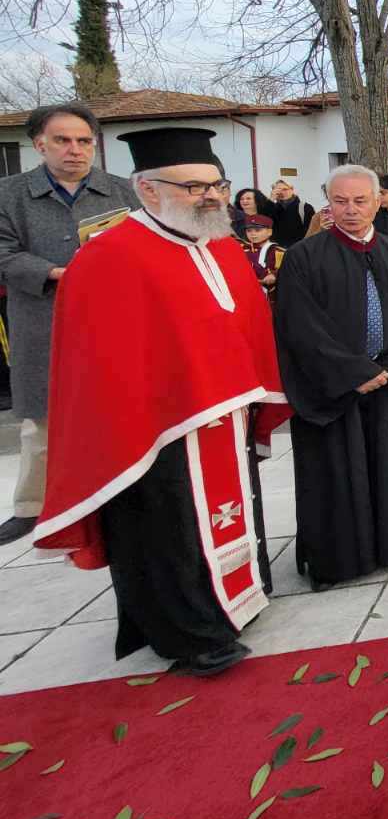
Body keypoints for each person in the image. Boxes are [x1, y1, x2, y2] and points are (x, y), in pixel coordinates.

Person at [34, 126, 288, 674]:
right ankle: (190, 635)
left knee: (231, 510)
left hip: (225, 415)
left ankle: (236, 598)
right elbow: (97, 365)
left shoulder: (221, 246)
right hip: (155, 430)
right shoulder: (109, 256)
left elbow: (246, 327)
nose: (212, 197)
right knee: (168, 529)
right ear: (147, 189)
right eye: (194, 187)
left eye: (216, 184)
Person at [274, 165, 388, 589]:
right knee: (336, 476)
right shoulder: (303, 258)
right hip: (332, 389)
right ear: (328, 202)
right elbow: (299, 327)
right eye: (340, 201)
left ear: (378, 201)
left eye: (360, 200)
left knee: (386, 468)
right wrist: (354, 373)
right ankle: (337, 561)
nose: (350, 210)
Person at [0, 102, 137, 545]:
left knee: (119, 411)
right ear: (39, 144)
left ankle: (121, 493)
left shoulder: (122, 192)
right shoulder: (9, 194)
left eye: (83, 141)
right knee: (42, 421)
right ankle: (32, 506)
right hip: (44, 318)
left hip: (113, 321)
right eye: (62, 140)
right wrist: (55, 273)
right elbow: (3, 253)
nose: (75, 150)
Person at [241, 214, 286, 298]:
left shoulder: (277, 251)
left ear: (269, 232)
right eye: (249, 231)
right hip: (246, 292)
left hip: (270, 295)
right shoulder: (241, 249)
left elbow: (285, 270)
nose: (253, 234)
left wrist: (274, 275)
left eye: (258, 230)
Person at [268, 178, 315, 245]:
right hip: (278, 249)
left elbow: (313, 231)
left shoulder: (305, 208)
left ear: (292, 190)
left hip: (299, 248)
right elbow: (264, 225)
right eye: (278, 190)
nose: (282, 192)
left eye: (285, 189)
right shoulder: (272, 208)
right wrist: (271, 200)